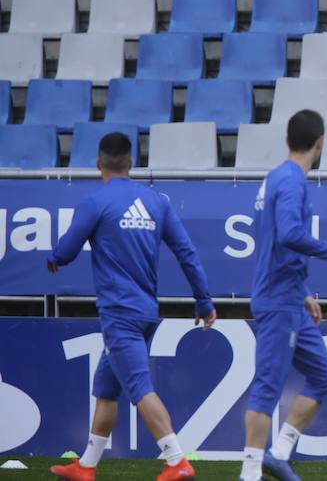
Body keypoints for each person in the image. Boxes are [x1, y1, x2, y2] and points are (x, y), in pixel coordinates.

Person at [47, 133, 217, 481]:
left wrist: (53, 258)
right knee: (106, 389)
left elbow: (65, 251)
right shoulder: (157, 202)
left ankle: (176, 459)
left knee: (139, 388)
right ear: (132, 164)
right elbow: (186, 252)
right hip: (145, 312)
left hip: (119, 315)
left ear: (98, 164)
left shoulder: (96, 202)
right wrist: (203, 300)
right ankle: (87, 465)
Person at [239, 110, 327, 481]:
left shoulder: (275, 177)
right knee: (268, 385)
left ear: (286, 139)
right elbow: (290, 235)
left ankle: (278, 453)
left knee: (324, 375)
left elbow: (274, 242)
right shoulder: (291, 182)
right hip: (277, 300)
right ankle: (250, 473)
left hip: (288, 296)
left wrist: (304, 292)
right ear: (321, 142)